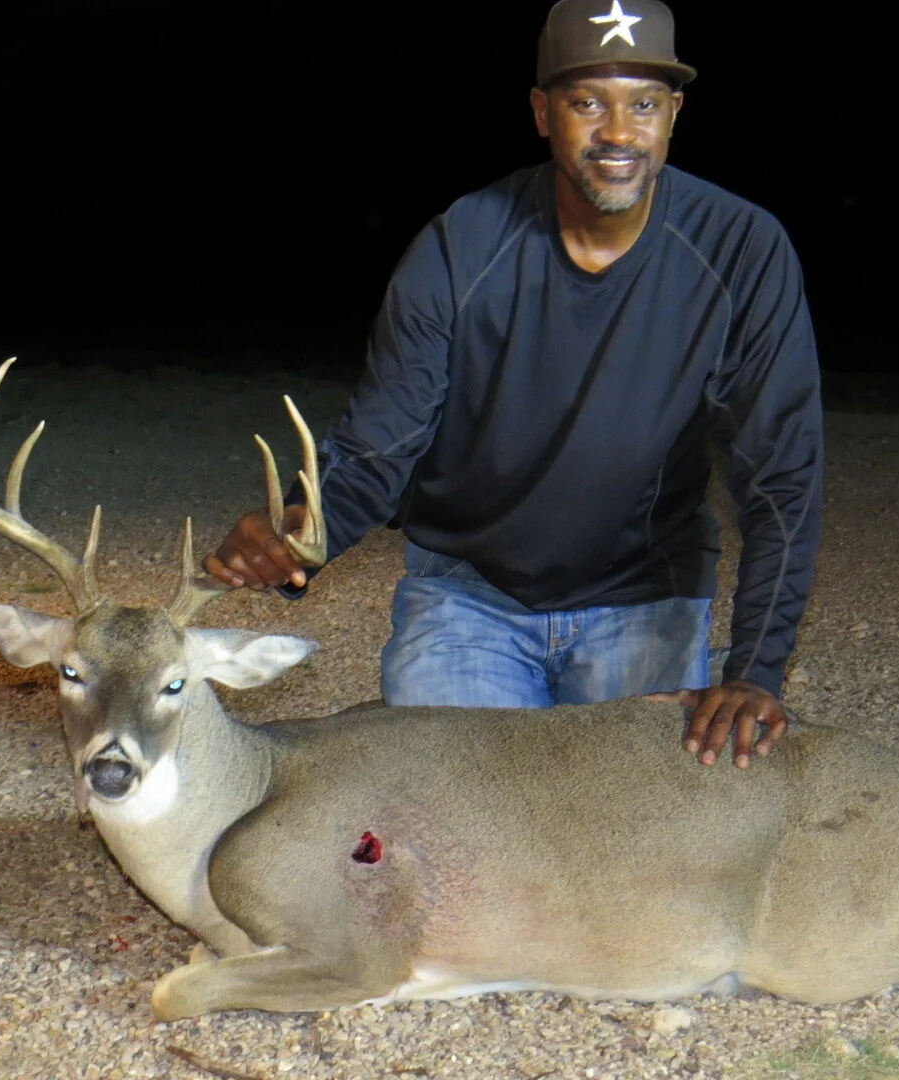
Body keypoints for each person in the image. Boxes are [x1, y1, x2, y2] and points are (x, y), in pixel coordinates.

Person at [206, 0, 822, 770]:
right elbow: (383, 440)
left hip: (644, 598)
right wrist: (299, 531)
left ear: (674, 115)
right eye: (587, 101)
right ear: (542, 112)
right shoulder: (461, 244)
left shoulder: (741, 249)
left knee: (632, 842)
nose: (619, 132)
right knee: (456, 826)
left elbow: (780, 476)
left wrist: (756, 672)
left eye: (643, 104)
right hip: (469, 598)